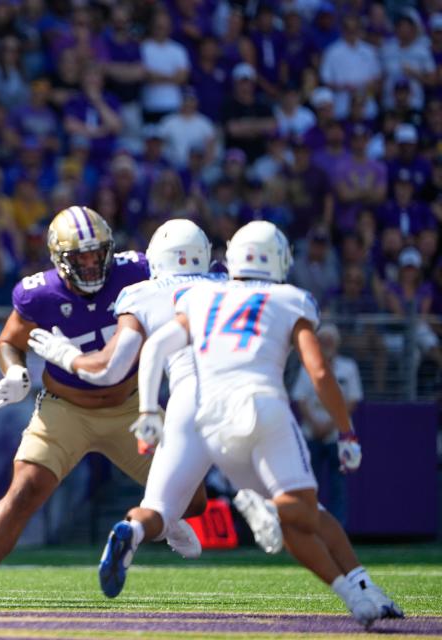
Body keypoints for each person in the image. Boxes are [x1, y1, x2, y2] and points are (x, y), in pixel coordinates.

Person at [123, 221, 401, 628]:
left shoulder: (201, 295)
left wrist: (149, 410)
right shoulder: (290, 298)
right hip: (263, 406)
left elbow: (156, 349)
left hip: (210, 418)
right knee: (302, 511)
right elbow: (320, 373)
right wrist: (346, 431)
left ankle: (358, 592)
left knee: (299, 514)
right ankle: (271, 509)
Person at [0, 207, 203, 617]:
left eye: (96, 254)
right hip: (66, 409)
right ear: (58, 258)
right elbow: (10, 341)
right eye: (79, 256)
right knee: (24, 490)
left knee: (195, 501)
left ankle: (165, 517)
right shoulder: (39, 293)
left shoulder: (136, 271)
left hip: (132, 405)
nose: (89, 263)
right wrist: (14, 372)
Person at [27, 218, 214, 598]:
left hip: (185, 401)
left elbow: (115, 368)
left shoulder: (142, 293)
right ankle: (357, 588)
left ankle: (139, 528)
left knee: (163, 505)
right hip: (244, 394)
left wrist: (68, 356)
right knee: (281, 489)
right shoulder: (228, 288)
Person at [291, 323, 362, 526]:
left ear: (337, 343)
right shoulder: (307, 367)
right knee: (310, 485)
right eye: (322, 341)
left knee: (338, 485)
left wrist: (330, 424)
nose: (326, 344)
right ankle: (311, 525)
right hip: (311, 433)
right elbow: (300, 398)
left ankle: (339, 529)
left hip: (339, 436)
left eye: (330, 341)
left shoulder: (349, 368)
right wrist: (315, 424)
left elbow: (352, 400)